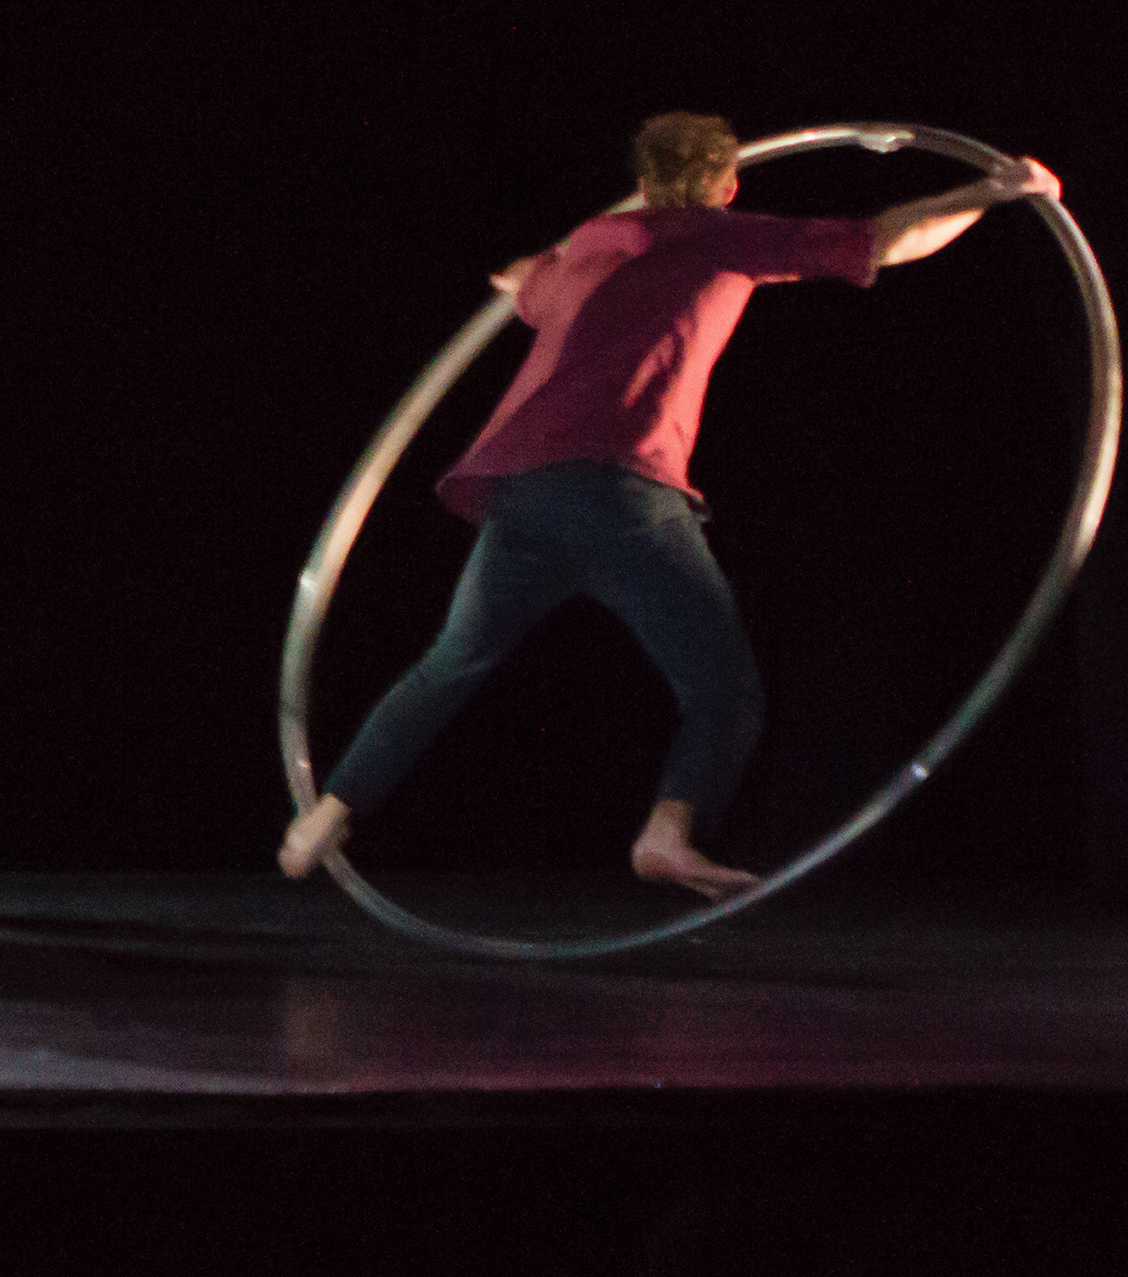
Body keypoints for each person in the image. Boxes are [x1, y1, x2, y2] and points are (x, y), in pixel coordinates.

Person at [281, 112, 1060, 899]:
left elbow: (520, 284)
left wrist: (536, 271)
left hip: (525, 492)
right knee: (724, 692)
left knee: (450, 664)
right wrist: (993, 192)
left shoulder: (587, 248)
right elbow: (884, 239)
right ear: (728, 184)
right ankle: (666, 833)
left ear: (644, 182)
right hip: (620, 493)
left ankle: (326, 814)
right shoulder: (719, 236)